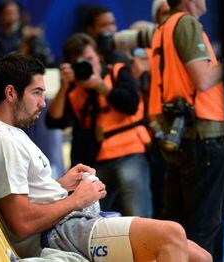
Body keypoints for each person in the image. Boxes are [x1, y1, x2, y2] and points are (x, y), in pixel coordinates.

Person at [0, 53, 212, 261]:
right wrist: (76, 200)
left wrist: (61, 185)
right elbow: (21, 223)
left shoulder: (9, 134)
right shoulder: (0, 141)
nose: (43, 102)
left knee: (201, 256)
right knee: (171, 234)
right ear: (11, 93)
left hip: (68, 226)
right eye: (37, 92)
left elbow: (26, 195)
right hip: (59, 234)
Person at [147, 0, 224, 257]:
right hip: (202, 136)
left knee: (178, 227)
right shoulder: (187, 22)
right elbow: (203, 79)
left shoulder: (163, 27)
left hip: (180, 136)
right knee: (204, 228)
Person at [46, 33, 153, 218]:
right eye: (80, 62)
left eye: (90, 59)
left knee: (137, 216)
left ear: (99, 56)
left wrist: (100, 85)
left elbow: (130, 104)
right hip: (94, 161)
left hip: (128, 153)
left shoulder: (117, 71)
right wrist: (64, 86)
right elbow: (55, 121)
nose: (87, 65)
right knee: (95, 218)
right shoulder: (73, 88)